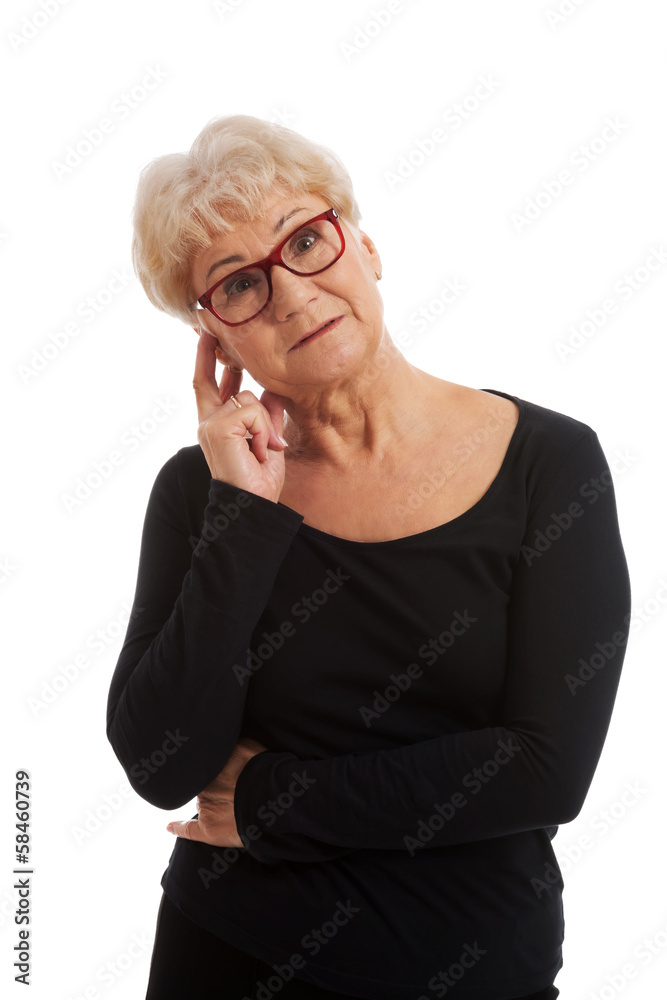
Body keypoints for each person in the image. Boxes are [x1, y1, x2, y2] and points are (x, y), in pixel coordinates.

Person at [105, 114, 631, 1000]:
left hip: (474, 972)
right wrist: (243, 514)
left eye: (305, 240)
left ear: (366, 246)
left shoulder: (549, 462)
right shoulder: (205, 492)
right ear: (214, 338)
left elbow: (545, 771)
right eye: (239, 284)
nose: (290, 295)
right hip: (228, 956)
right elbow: (161, 765)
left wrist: (272, 803)